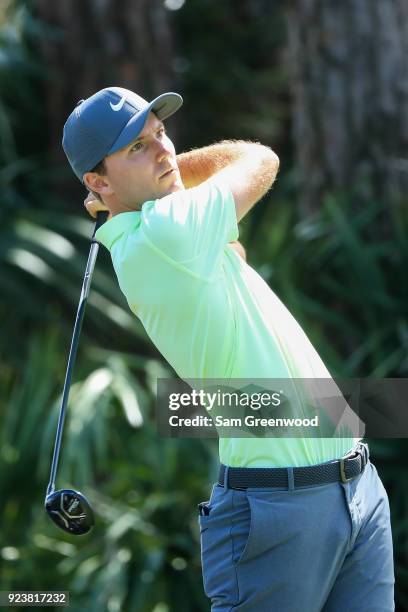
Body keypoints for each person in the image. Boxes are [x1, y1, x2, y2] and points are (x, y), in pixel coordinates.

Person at [62, 86, 395, 611]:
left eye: (160, 135)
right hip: (276, 510)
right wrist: (176, 175)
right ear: (97, 182)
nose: (163, 151)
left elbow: (230, 246)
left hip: (354, 486)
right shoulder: (164, 234)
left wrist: (158, 177)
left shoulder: (172, 226)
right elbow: (259, 158)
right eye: (136, 149)